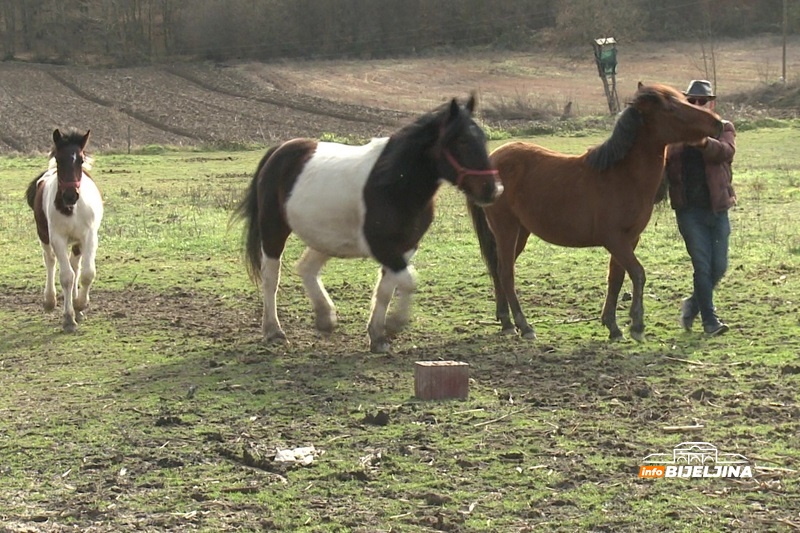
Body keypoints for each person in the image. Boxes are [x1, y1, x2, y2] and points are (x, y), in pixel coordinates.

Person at [664, 80, 736, 336]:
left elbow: (726, 152)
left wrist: (702, 142)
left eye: (702, 101)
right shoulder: (673, 135)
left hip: (717, 208)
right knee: (702, 266)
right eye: (692, 101)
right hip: (689, 211)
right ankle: (710, 321)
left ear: (711, 103)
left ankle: (692, 305)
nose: (697, 105)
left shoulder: (723, 127)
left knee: (720, 267)